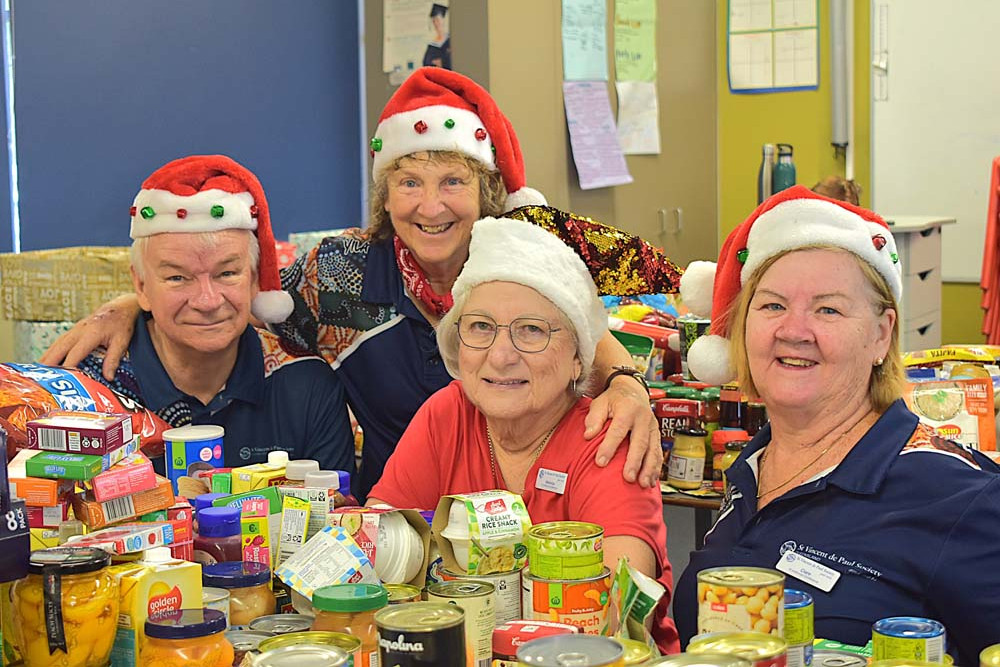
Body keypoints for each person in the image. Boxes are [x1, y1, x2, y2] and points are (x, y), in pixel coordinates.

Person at [42, 68, 673, 501]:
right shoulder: (338, 275)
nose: (431, 207)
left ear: (486, 190)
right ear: (384, 192)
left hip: (545, 512)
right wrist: (136, 303)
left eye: (453, 181)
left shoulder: (532, 255)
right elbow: (232, 298)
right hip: (397, 528)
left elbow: (615, 311)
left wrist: (624, 381)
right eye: (409, 182)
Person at [673, 186, 1000, 664]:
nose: (793, 330)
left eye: (828, 308)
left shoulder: (958, 496)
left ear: (881, 335)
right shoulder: (752, 467)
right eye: (772, 305)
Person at [368, 213, 679, 654]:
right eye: (481, 327)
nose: (500, 355)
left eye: (531, 331)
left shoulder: (606, 436)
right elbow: (378, 543)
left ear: (579, 359)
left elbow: (613, 606)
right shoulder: (447, 414)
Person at [75, 155, 354, 473]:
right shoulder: (90, 389)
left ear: (253, 280)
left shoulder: (305, 384)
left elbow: (336, 516)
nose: (207, 301)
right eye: (177, 278)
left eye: (226, 274)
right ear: (140, 287)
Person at [422, 3, 451, 69]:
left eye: (438, 20)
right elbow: (426, 63)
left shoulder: (450, 41)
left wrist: (441, 62)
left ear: (443, 20)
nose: (436, 23)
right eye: (434, 21)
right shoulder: (432, 45)